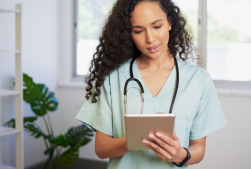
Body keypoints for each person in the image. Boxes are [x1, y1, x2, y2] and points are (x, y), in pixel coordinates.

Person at [76, 0, 226, 168]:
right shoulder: (112, 78)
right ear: (129, 33)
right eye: (139, 31)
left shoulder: (199, 79)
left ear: (169, 22)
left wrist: (180, 155)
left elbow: (199, 147)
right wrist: (135, 139)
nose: (150, 38)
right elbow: (101, 148)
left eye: (157, 27)